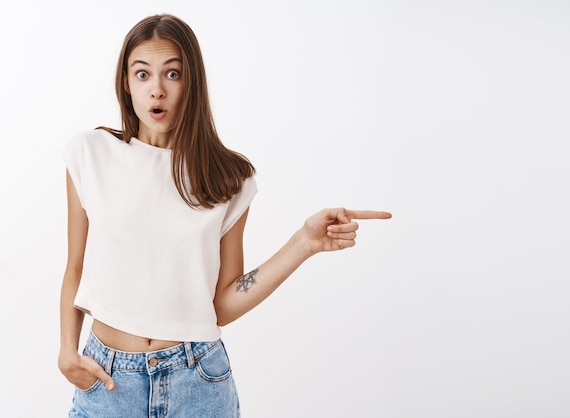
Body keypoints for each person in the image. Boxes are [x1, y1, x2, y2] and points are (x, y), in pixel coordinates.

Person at [58, 13, 391, 417]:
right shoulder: (90, 155)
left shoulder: (226, 177)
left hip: (196, 381)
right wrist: (66, 350)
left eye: (173, 74)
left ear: (191, 82)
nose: (157, 91)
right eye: (142, 75)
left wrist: (304, 244)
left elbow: (221, 304)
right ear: (126, 84)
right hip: (107, 379)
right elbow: (75, 266)